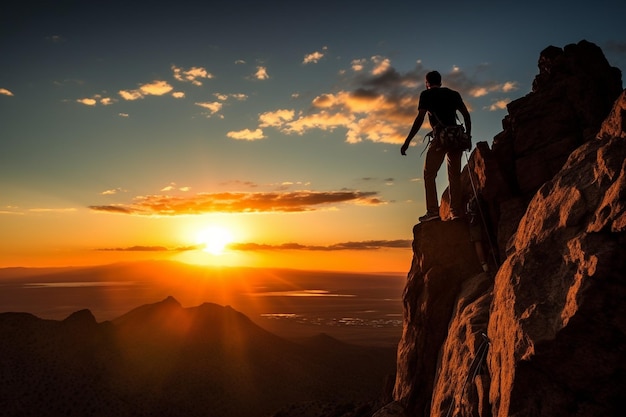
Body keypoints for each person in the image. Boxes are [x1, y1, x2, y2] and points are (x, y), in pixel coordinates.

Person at [400, 70, 471, 222]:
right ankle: (455, 212)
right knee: (454, 175)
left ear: (427, 83)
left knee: (429, 174)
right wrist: (468, 137)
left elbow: (419, 119)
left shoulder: (426, 95)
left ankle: (432, 212)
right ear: (440, 81)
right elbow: (466, 115)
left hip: (440, 139)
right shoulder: (454, 94)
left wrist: (407, 141)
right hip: (456, 139)